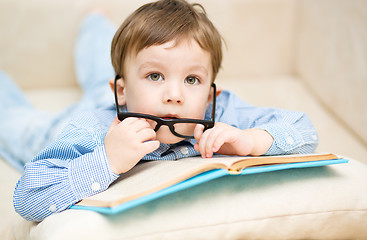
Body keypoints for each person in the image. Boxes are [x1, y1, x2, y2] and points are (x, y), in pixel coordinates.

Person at [11, 0, 318, 222]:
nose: (174, 95)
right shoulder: (89, 130)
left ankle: (98, 25)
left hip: (125, 92)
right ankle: (95, 24)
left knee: (99, 78)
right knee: (15, 121)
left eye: (192, 79)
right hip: (93, 116)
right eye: (155, 76)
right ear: (121, 91)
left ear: (212, 94)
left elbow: (304, 131)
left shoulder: (221, 113)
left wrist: (251, 140)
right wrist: (107, 159)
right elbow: (28, 197)